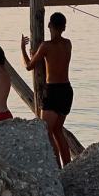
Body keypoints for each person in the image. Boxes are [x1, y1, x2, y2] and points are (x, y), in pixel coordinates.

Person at [21, 12, 73, 167]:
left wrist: (23, 49)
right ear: (64, 27)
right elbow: (54, 62)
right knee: (58, 130)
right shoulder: (68, 44)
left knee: (46, 131)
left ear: (49, 25)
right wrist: (40, 55)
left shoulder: (45, 46)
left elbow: (29, 66)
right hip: (66, 90)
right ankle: (68, 165)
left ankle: (56, 167)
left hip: (53, 91)